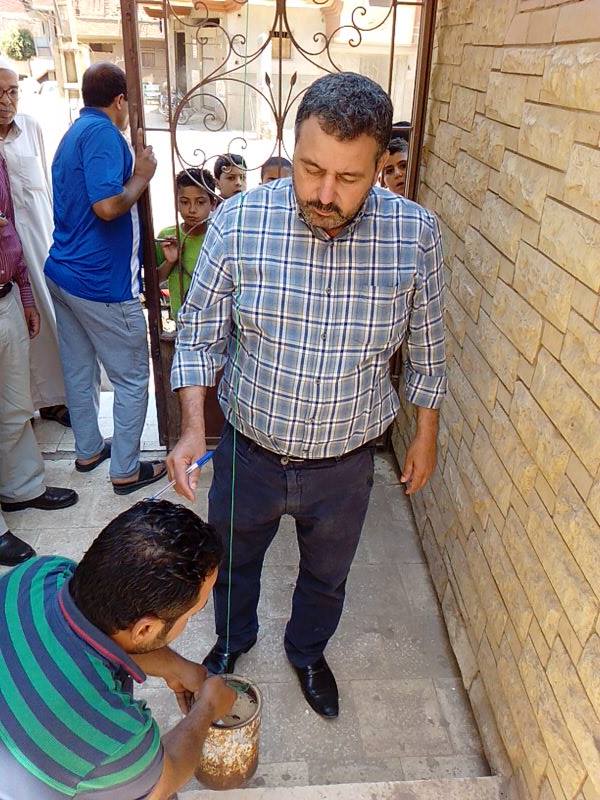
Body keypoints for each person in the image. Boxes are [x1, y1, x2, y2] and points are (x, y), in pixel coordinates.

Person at [167, 72, 447, 719]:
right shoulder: (240, 220)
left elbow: (428, 350)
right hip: (248, 454)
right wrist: (192, 429)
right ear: (293, 148)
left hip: (345, 466)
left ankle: (307, 651)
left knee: (327, 574)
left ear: (380, 167)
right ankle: (233, 640)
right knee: (232, 562)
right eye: (311, 168)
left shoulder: (416, 236)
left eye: (348, 178)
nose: (324, 193)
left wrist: (426, 434)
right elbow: (201, 336)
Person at [0, 499, 236, 799]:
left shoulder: (37, 573)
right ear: (145, 630)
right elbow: (166, 777)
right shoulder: (110, 734)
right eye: (192, 613)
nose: (191, 618)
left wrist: (175, 667)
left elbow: (100, 630)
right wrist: (208, 708)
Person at [45, 62, 166, 494]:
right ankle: (126, 470)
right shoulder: (102, 134)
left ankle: (89, 450)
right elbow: (108, 206)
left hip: (65, 273)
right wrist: (142, 176)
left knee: (80, 370)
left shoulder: (73, 133)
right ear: (120, 100)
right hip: (100, 283)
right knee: (131, 377)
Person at [0, 153, 78, 568]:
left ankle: (21, 489)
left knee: (15, 406)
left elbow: (8, 226)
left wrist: (25, 295)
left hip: (6, 296)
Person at [0, 58, 70, 426]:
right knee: (12, 331)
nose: (6, 101)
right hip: (5, 256)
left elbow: (47, 184)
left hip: (40, 244)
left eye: (12, 92)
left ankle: (55, 401)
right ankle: (19, 410)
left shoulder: (30, 128)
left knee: (48, 321)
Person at [156, 168, 218, 322]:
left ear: (213, 204)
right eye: (184, 202)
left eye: (200, 202)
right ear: (176, 203)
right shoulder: (168, 237)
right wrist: (170, 261)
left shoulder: (218, 236)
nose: (192, 210)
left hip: (214, 319)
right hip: (182, 320)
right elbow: (155, 280)